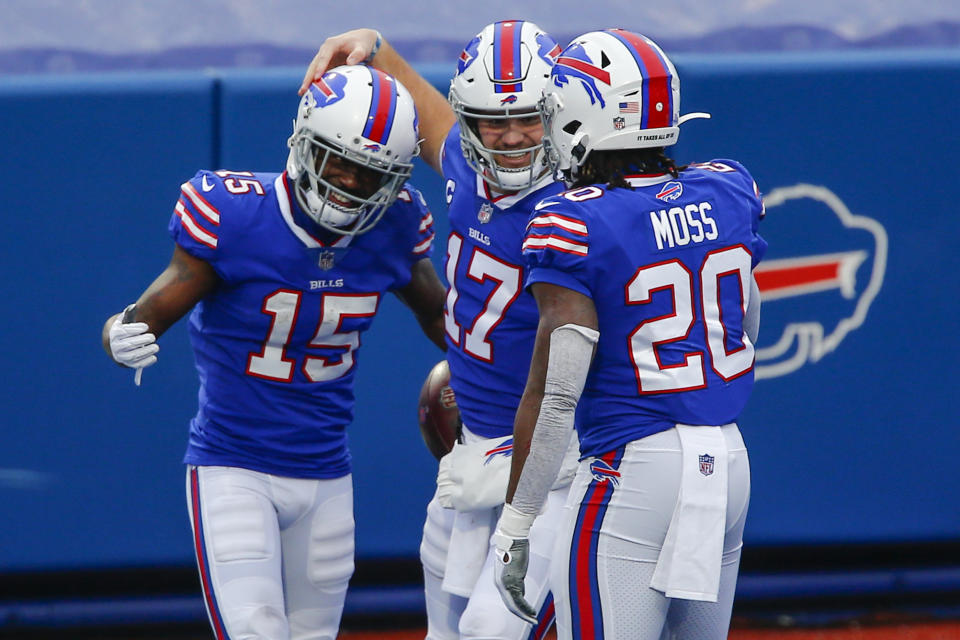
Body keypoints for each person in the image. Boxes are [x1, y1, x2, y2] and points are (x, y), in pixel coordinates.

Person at [102, 64, 446, 640]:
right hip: (235, 467)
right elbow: (146, 315)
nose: (351, 184)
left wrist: (503, 364)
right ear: (304, 141)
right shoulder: (234, 214)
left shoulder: (396, 224)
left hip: (328, 472)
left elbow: (444, 317)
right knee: (257, 631)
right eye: (340, 161)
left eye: (371, 173)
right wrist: (117, 333)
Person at [490, 29, 767, 640]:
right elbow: (745, 319)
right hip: (727, 457)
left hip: (633, 466)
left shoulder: (573, 218)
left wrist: (516, 524)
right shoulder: (728, 188)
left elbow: (557, 392)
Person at [303, 21, 573, 640]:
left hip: (554, 460)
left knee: (490, 630)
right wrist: (373, 44)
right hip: (475, 447)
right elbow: (433, 114)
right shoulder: (463, 156)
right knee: (447, 630)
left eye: (528, 119)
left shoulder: (585, 202)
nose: (509, 139)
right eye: (490, 122)